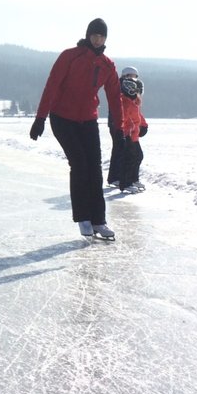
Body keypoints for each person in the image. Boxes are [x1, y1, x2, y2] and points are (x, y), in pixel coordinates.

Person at [29, 18, 123, 240]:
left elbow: (114, 98)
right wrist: (40, 118)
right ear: (88, 35)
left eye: (102, 36)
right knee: (80, 165)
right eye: (95, 35)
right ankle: (83, 217)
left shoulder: (107, 65)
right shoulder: (70, 56)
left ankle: (99, 220)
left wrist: (119, 129)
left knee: (95, 168)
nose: (98, 40)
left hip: (88, 120)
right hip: (63, 118)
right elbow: (51, 85)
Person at [118, 66, 148, 194]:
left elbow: (138, 115)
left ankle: (133, 179)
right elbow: (124, 116)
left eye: (134, 77)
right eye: (129, 76)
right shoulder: (123, 99)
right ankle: (126, 183)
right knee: (130, 157)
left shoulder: (134, 101)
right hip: (128, 133)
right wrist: (127, 129)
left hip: (134, 133)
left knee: (138, 156)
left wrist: (144, 125)